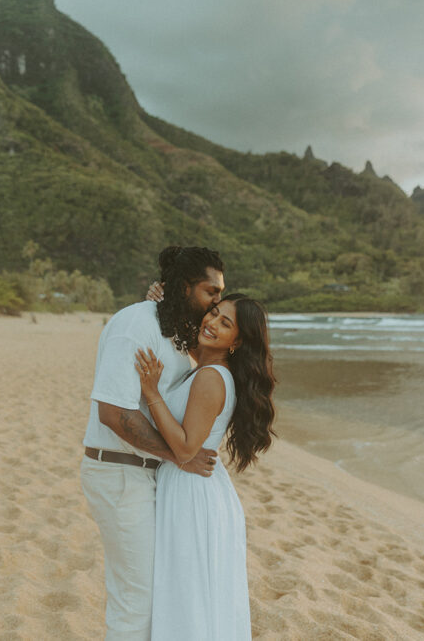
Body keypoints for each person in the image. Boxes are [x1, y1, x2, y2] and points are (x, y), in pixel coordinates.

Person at [81, 245, 225, 640]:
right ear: (183, 288)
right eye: (210, 292)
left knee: (150, 596)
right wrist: (180, 456)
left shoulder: (175, 330)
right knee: (135, 603)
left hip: (146, 476)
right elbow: (114, 413)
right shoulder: (136, 326)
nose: (218, 300)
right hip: (120, 474)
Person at [134, 293, 276, 640]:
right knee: (192, 593)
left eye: (225, 324)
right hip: (199, 488)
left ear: (237, 341)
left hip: (191, 491)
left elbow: (184, 449)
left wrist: (151, 393)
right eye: (213, 313)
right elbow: (188, 339)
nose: (211, 323)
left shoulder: (211, 377)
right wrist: (163, 299)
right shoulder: (210, 366)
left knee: (186, 594)